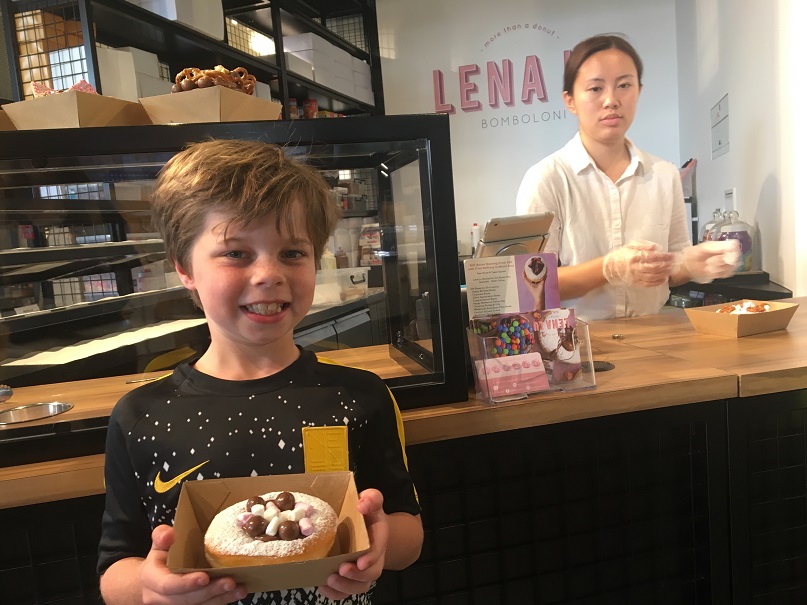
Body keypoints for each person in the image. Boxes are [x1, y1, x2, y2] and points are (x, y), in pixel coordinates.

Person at [97, 139, 423, 605]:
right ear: (184, 267)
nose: (269, 273)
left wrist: (381, 537)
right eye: (236, 253)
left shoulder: (358, 396)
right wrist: (151, 590)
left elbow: (409, 532)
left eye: (293, 253)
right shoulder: (142, 415)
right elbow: (115, 566)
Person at [516, 33, 738, 320]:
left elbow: (670, 272)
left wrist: (693, 265)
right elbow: (532, 287)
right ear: (570, 100)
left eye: (624, 85)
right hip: (575, 343)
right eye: (595, 88)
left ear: (638, 91)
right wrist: (608, 268)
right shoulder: (546, 178)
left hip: (653, 337)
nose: (611, 100)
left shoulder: (664, 175)